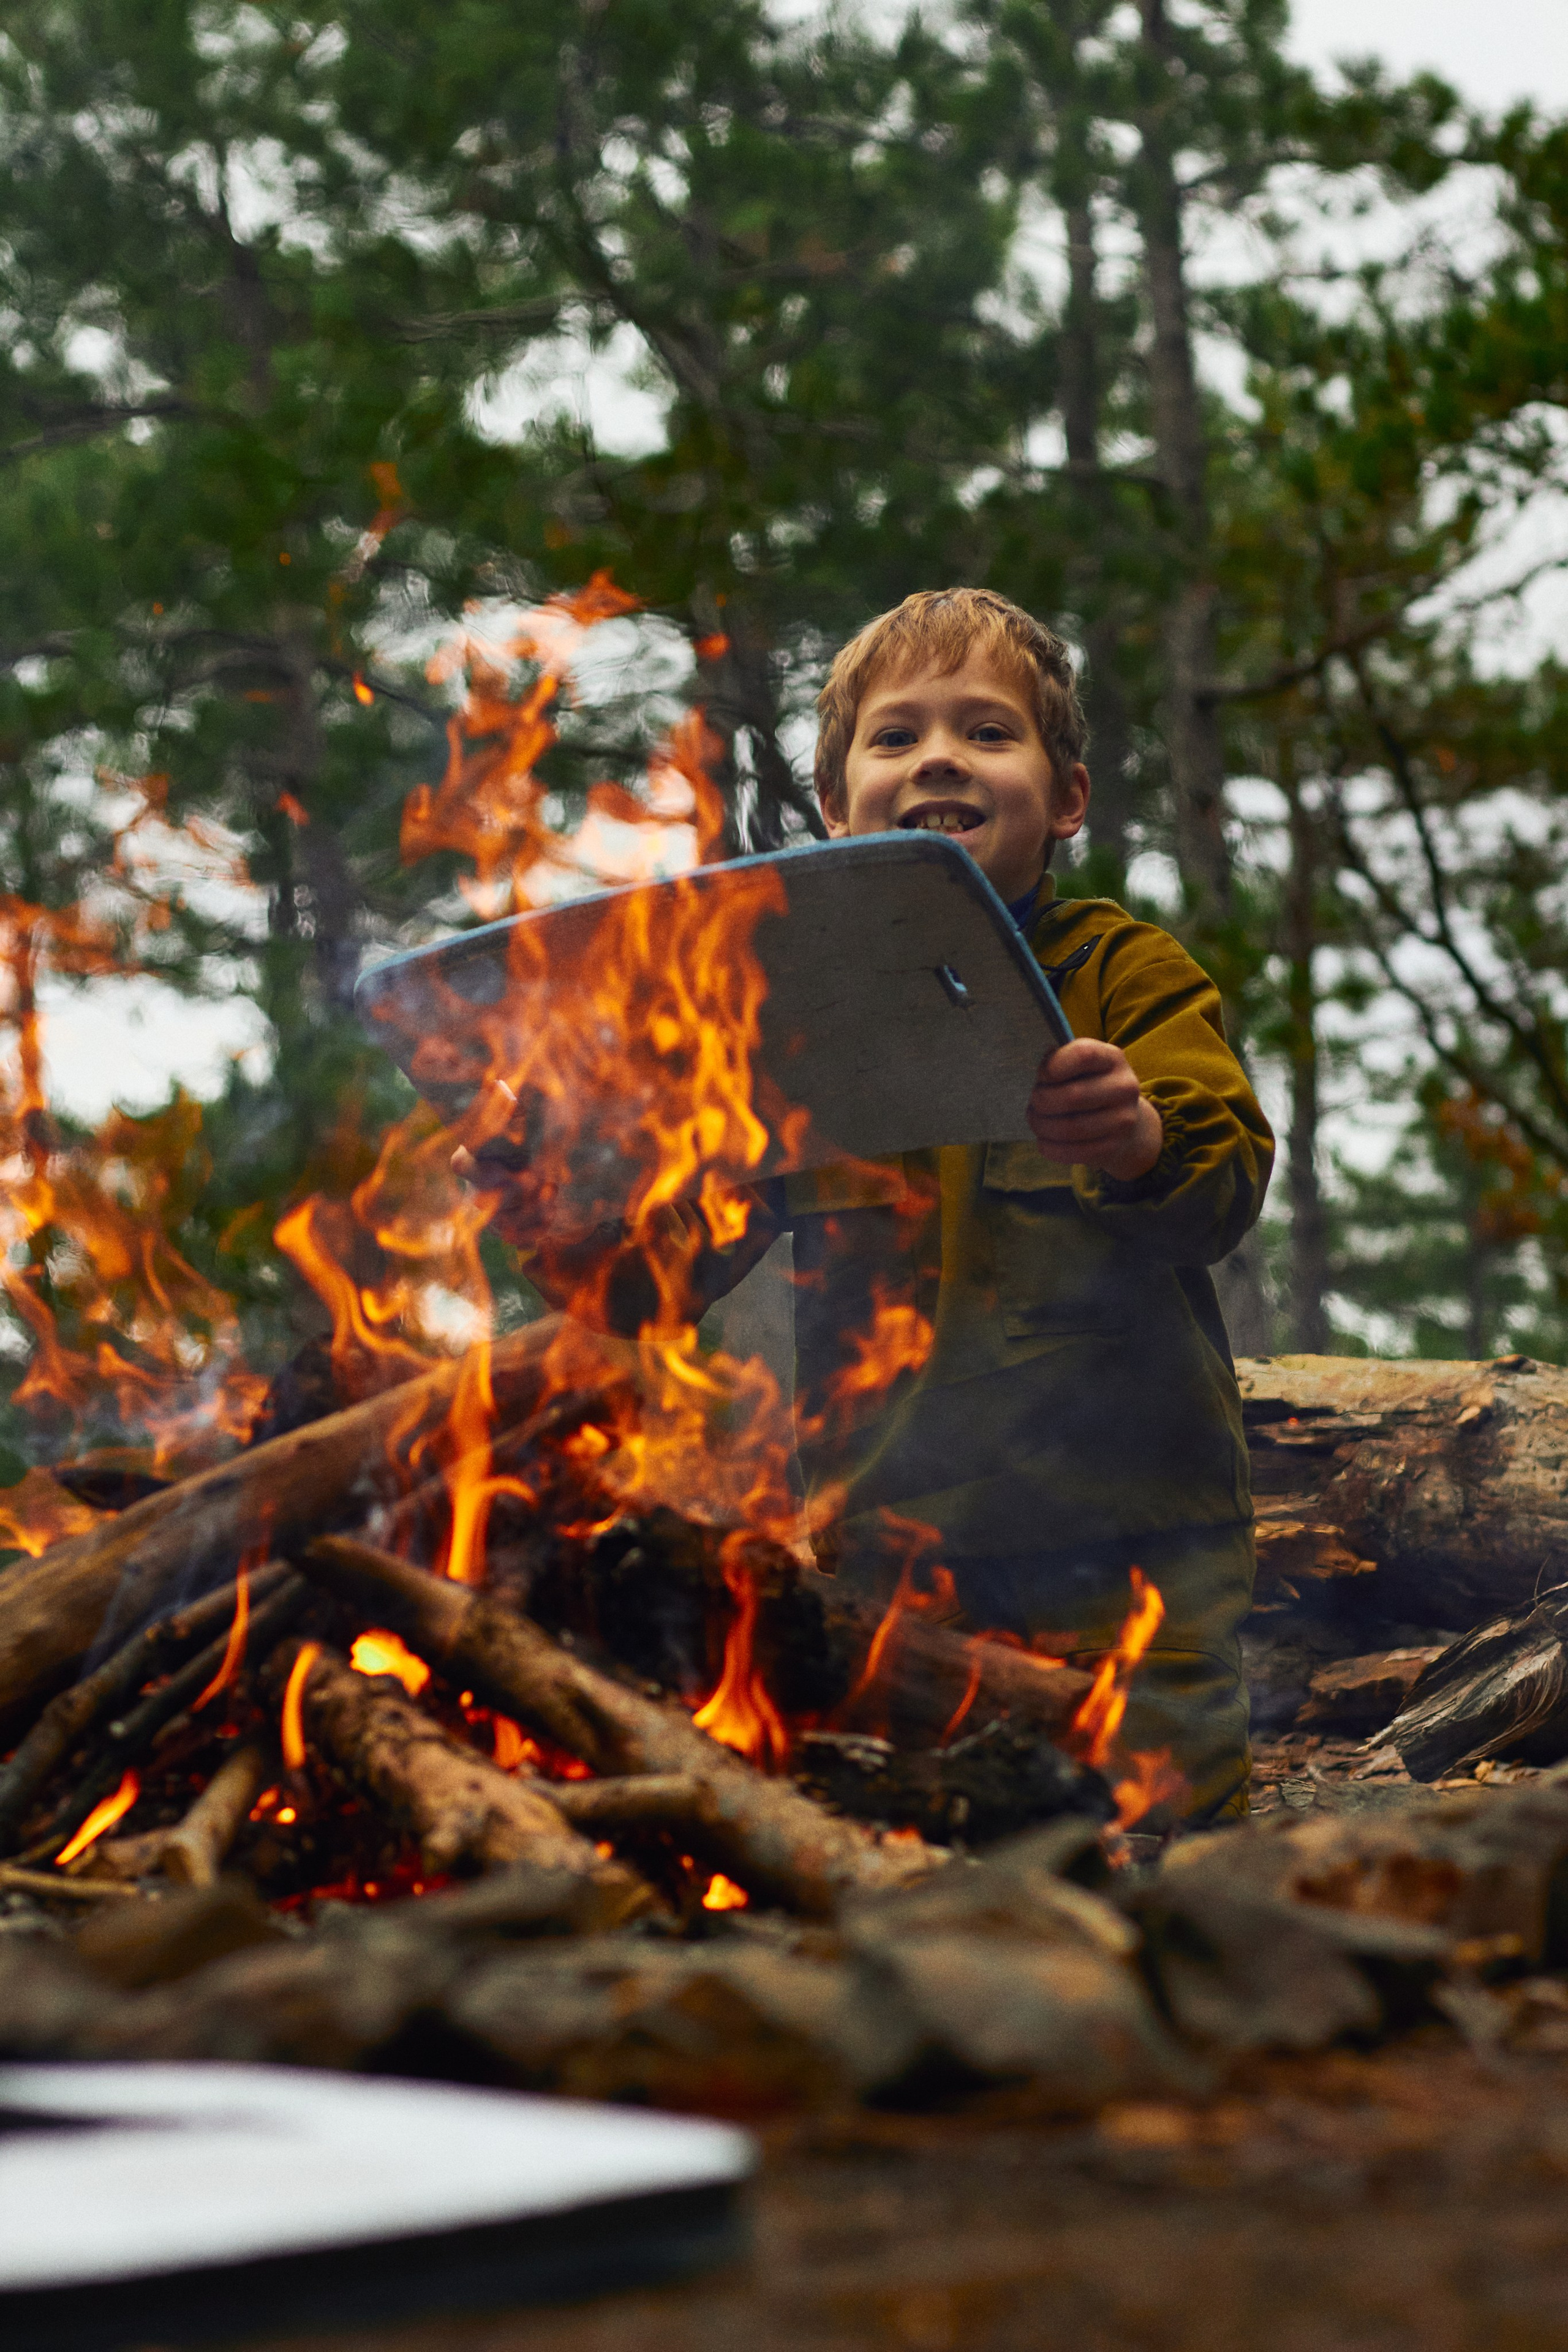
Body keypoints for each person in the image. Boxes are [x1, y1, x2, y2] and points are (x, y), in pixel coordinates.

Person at [477, 587, 1275, 1823]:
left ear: (1065, 798)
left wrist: (1137, 1138)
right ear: (836, 801)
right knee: (940, 1866)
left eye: (986, 732)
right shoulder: (800, 1025)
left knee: (1171, 1863)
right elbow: (648, 1279)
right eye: (895, 738)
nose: (939, 758)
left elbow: (1219, 1178)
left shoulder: (1123, 972)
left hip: (1133, 1553)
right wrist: (536, 1181)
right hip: (897, 1567)